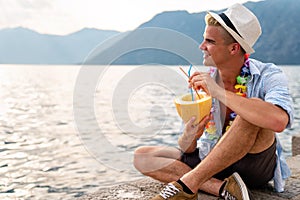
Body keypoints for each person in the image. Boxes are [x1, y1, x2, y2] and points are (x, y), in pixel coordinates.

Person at [133, 3, 294, 200]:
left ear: (234, 48)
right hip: (211, 160)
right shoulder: (202, 82)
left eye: (209, 41)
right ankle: (222, 188)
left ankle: (188, 184)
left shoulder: (269, 74)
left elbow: (279, 121)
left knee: (250, 113)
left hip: (253, 165)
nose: (201, 47)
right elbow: (188, 148)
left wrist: (218, 91)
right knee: (143, 156)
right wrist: (189, 136)